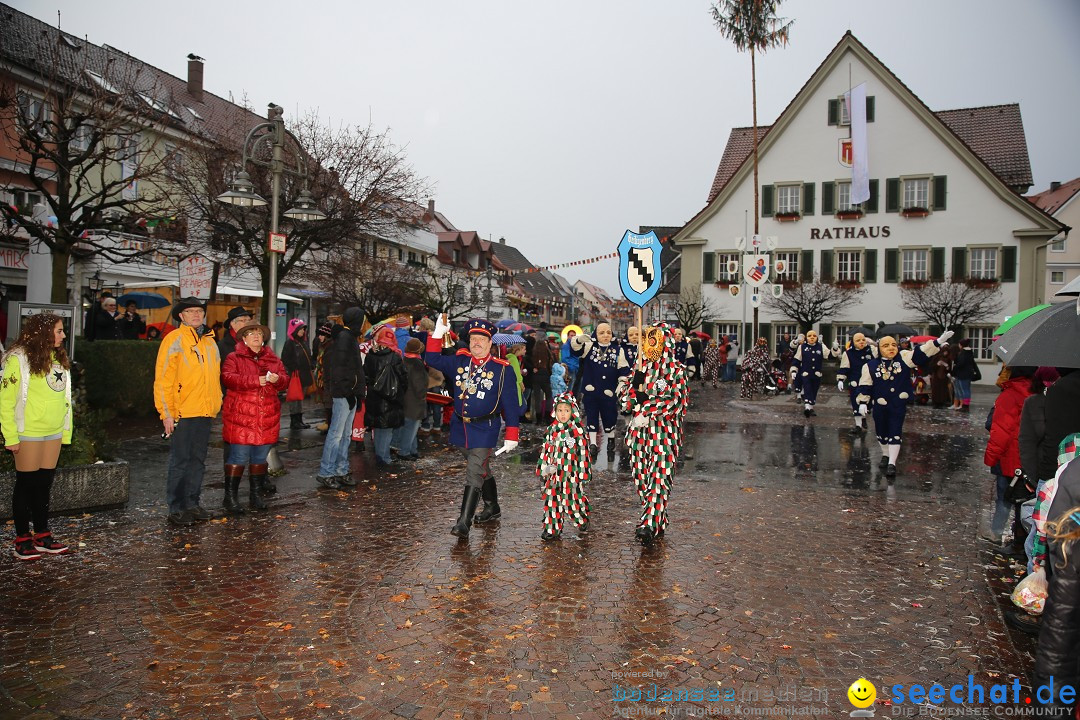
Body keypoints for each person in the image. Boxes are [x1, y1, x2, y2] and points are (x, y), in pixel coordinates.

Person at [425, 315, 521, 538]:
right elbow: (431, 359)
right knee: (481, 468)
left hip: (486, 427)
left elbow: (510, 403)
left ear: (490, 343)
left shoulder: (502, 368)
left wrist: (512, 433)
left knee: (474, 471)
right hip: (461, 426)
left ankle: (463, 522)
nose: (476, 342)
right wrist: (438, 333)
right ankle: (492, 506)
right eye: (473, 338)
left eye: (481, 339)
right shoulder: (460, 361)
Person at [2, 313, 73, 559]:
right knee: (26, 485)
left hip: (53, 431)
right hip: (28, 432)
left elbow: (64, 398)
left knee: (44, 485)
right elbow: (5, 400)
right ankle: (22, 539)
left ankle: (42, 534)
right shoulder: (17, 359)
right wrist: (10, 435)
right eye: (59, 330)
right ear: (42, 332)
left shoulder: (58, 357)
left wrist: (65, 430)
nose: (63, 335)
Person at [153, 297, 222, 526]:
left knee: (198, 460)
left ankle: (192, 503)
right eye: (190, 311)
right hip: (183, 412)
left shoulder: (210, 342)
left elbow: (214, 377)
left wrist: (216, 401)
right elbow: (163, 380)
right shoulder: (174, 340)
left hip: (205, 410)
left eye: (199, 311)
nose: (196, 314)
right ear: (181, 316)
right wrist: (167, 413)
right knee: (180, 461)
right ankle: (176, 507)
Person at [621, 323, 687, 546]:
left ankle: (648, 523)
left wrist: (648, 409)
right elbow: (626, 399)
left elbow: (676, 401)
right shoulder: (640, 366)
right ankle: (658, 518)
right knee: (642, 481)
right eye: (648, 338)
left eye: (655, 338)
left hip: (664, 435)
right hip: (639, 436)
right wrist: (630, 393)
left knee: (659, 480)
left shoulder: (676, 370)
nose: (651, 343)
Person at [856, 331, 952, 477]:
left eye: (894, 345)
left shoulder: (904, 358)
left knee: (895, 431)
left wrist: (938, 342)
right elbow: (865, 384)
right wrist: (863, 402)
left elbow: (921, 353)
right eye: (886, 345)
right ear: (879, 348)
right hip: (880, 404)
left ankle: (892, 463)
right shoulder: (870, 365)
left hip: (897, 403)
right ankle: (885, 454)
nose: (891, 348)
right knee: (881, 432)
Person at [220, 324, 288, 513]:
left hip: (266, 416)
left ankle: (255, 494)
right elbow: (227, 378)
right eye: (251, 334)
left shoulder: (273, 359)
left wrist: (278, 380)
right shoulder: (234, 358)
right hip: (241, 416)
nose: (256, 336)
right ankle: (230, 497)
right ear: (244, 339)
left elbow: (285, 379)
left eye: (259, 333)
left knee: (259, 457)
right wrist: (253, 381)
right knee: (239, 456)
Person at [983, 365, 1037, 545]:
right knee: (1026, 500)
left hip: (1008, 459)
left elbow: (1000, 431)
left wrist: (991, 457)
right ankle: (1023, 536)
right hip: (1030, 458)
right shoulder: (1039, 393)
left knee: (1004, 498)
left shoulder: (1009, 395)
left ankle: (997, 532)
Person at [316, 307, 365, 489]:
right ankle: (327, 471)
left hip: (349, 393)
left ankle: (340, 469)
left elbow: (353, 370)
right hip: (344, 394)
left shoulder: (348, 338)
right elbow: (340, 370)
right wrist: (349, 392)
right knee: (337, 435)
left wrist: (356, 393)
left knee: (344, 435)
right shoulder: (345, 339)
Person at [536, 392, 591, 541]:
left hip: (571, 474)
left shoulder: (577, 431)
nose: (563, 414)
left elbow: (583, 454)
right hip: (553, 473)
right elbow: (546, 450)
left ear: (572, 411)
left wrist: (583, 473)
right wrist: (543, 467)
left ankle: (581, 518)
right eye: (560, 410)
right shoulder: (551, 430)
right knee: (552, 500)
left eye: (566, 410)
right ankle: (552, 528)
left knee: (571, 501)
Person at [570, 322, 621, 462]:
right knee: (591, 416)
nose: (605, 335)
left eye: (608, 332)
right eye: (602, 332)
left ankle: (611, 440)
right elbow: (575, 351)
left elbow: (623, 369)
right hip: (591, 390)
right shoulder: (589, 347)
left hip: (608, 392)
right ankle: (592, 444)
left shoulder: (617, 349)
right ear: (596, 335)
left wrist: (620, 386)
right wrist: (579, 340)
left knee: (609, 416)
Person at [364, 324, 408, 467]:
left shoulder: (371, 354)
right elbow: (403, 377)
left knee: (378, 428)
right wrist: (402, 391)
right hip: (390, 397)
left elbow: (366, 374)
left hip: (374, 397)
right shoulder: (394, 356)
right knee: (387, 429)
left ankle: (379, 455)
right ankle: (384, 457)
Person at [791, 330, 838, 418]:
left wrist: (835, 349)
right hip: (806, 373)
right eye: (809, 336)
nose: (812, 337)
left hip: (816, 374)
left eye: (814, 336)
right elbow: (797, 359)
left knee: (814, 390)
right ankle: (807, 408)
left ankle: (811, 407)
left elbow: (829, 356)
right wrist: (794, 370)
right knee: (807, 388)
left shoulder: (820, 347)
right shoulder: (802, 347)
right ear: (807, 338)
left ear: (816, 337)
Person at [394, 337, 427, 461]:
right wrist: (422, 395)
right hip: (415, 400)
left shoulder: (404, 360)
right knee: (411, 427)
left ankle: (413, 450)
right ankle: (404, 451)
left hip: (406, 399)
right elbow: (419, 384)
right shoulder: (417, 363)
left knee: (410, 426)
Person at [837, 332, 877, 432]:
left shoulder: (871, 350)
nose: (861, 342)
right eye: (858, 340)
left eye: (863, 340)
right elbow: (844, 367)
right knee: (856, 403)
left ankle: (864, 416)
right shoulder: (848, 353)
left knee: (869, 402)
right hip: (855, 381)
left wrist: (876, 344)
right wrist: (841, 379)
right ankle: (858, 425)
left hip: (870, 381)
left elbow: (881, 356)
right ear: (853, 342)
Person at [281, 318, 315, 429]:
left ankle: (299, 420)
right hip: (295, 376)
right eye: (301, 329)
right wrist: (293, 368)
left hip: (304, 375)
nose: (303, 331)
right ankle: (294, 421)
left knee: (300, 399)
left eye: (303, 329)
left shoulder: (303, 342)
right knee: (294, 398)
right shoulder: (290, 343)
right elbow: (285, 359)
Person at [312, 322, 334, 432]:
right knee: (326, 403)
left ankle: (330, 424)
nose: (319, 337)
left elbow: (327, 365)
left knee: (329, 403)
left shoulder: (330, 347)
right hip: (321, 378)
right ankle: (328, 422)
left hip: (326, 379)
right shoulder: (322, 345)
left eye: (321, 335)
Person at [530, 329, 553, 423]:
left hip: (536, 375)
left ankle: (538, 418)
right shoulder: (546, 352)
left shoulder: (534, 351)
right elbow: (550, 363)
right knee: (548, 395)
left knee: (537, 397)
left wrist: (534, 367)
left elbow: (531, 361)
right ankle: (547, 416)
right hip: (544, 374)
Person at [950, 338, 979, 412]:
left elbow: (961, 363)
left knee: (964, 390)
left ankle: (965, 405)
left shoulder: (964, 353)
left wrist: (955, 367)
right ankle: (963, 405)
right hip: (965, 374)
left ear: (962, 345)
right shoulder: (968, 352)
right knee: (963, 390)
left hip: (963, 375)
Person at [930, 345, 953, 409]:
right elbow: (932, 367)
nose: (945, 353)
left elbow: (949, 369)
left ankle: (941, 402)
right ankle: (936, 403)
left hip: (944, 377)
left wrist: (947, 368)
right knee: (936, 390)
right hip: (936, 376)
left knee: (943, 390)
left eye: (947, 352)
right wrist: (937, 365)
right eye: (945, 351)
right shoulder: (937, 357)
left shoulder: (948, 359)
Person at [560, 330, 580, 395]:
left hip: (575, 368)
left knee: (573, 389)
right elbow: (565, 359)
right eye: (571, 335)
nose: (573, 337)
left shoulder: (574, 345)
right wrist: (573, 367)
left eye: (574, 335)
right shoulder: (566, 345)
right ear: (568, 336)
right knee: (569, 390)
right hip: (570, 369)